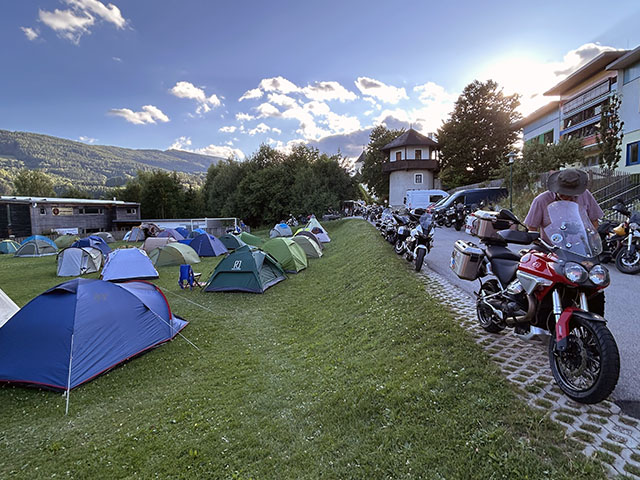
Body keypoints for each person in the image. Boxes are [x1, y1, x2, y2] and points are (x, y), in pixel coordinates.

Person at [524, 168, 605, 315]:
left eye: (571, 194)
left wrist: (590, 239)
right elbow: (532, 228)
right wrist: (537, 241)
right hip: (551, 250)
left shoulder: (585, 195)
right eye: (564, 193)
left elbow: (594, 220)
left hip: (580, 250)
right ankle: (531, 311)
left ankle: (596, 322)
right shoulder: (541, 200)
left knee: (594, 284)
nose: (567, 197)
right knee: (539, 280)